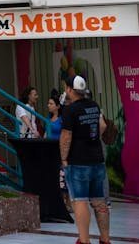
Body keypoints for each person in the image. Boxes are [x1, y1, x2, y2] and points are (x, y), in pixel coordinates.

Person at [60, 75, 110, 244]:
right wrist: (92, 139)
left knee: (79, 201)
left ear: (69, 90)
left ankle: (84, 240)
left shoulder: (70, 110)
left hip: (78, 162)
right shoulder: (94, 105)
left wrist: (64, 158)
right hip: (97, 159)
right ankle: (105, 239)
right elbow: (102, 125)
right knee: (99, 201)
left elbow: (66, 136)